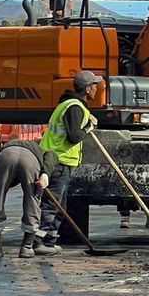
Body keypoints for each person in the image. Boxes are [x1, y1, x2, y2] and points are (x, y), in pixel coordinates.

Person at [37, 69, 103, 252]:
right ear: (88, 89)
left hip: (59, 159)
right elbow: (74, 136)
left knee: (60, 204)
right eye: (95, 85)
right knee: (52, 204)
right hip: (59, 161)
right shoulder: (74, 107)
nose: (97, 88)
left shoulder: (68, 104)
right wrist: (89, 127)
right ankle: (39, 242)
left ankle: (49, 241)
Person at [0, 139, 61, 260]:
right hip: (30, 161)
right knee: (32, 199)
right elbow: (53, 155)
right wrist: (45, 175)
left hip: (6, 156)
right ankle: (27, 247)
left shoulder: (7, 146)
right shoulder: (41, 150)